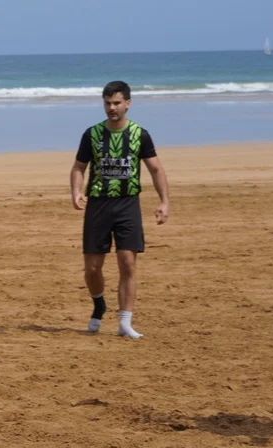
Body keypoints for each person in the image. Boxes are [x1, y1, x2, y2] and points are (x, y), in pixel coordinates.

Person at [70, 81, 170, 339]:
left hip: (127, 204)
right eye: (107, 103)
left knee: (127, 263)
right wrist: (76, 191)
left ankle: (125, 321)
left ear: (127, 103)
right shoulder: (92, 134)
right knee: (92, 268)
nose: (111, 108)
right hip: (98, 204)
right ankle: (99, 304)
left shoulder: (140, 134)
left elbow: (156, 169)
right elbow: (79, 167)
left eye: (116, 103)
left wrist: (164, 201)